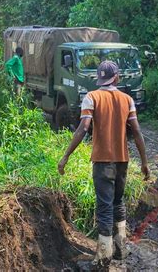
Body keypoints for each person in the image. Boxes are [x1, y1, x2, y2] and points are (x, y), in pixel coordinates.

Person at [58, 60, 150, 267]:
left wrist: (65, 156)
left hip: (102, 160)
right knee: (118, 202)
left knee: (104, 206)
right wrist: (144, 162)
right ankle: (120, 248)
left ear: (100, 79)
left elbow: (83, 128)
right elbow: (136, 131)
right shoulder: (127, 99)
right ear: (116, 78)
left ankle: (104, 255)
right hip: (122, 161)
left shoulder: (92, 97)